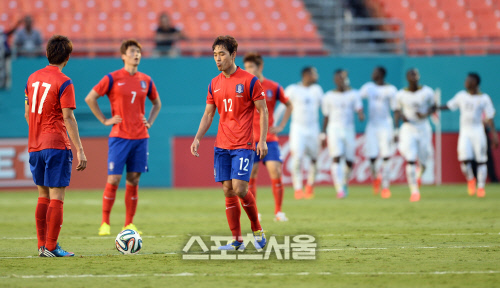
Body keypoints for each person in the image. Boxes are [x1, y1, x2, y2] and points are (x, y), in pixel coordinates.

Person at [190, 35, 268, 251]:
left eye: (221, 54)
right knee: (227, 190)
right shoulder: (214, 83)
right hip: (222, 145)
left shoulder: (250, 81)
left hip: (243, 144)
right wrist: (197, 137)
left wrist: (262, 140)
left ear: (233, 55)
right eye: (215, 55)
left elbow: (263, 110)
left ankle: (257, 227)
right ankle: (237, 241)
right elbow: (208, 114)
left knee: (240, 188)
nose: (217, 59)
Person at [85, 40, 162, 236]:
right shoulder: (112, 78)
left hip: (140, 137)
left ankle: (128, 223)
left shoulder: (146, 79)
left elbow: (157, 104)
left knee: (134, 179)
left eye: (138, 52)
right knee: (114, 178)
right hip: (119, 136)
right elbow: (90, 98)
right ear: (123, 55)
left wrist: (150, 121)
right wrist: (104, 120)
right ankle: (105, 222)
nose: (136, 55)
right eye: (132, 51)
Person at [25, 35, 87, 257]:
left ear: (47, 53)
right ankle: (51, 246)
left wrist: (37, 131)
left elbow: (27, 112)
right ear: (68, 57)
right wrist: (80, 149)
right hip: (56, 144)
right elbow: (68, 117)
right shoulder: (64, 82)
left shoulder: (31, 79)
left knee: (42, 195)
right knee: (57, 196)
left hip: (35, 144)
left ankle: (42, 246)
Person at [243, 52, 292, 222]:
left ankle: (278, 212)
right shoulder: (243, 88)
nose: (248, 70)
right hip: (249, 139)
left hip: (269, 138)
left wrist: (281, 126)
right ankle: (255, 213)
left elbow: (289, 104)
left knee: (275, 170)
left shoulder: (273, 86)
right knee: (251, 175)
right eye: (246, 67)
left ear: (260, 67)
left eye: (251, 67)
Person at [438, 72, 498, 197]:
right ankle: (471, 179)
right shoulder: (461, 96)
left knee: (481, 160)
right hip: (465, 132)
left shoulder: (484, 98)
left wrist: (494, 135)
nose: (465, 82)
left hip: (478, 131)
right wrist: (435, 108)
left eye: (468, 80)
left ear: (474, 82)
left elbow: (490, 117)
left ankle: (481, 187)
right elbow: (449, 106)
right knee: (464, 160)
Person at [394, 68, 435, 202]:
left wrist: (425, 114)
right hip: (408, 128)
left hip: (423, 127)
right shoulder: (401, 94)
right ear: (407, 78)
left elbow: (434, 106)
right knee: (410, 158)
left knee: (424, 159)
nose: (414, 77)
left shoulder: (427, 91)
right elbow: (397, 111)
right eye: (411, 74)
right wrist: (400, 121)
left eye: (416, 74)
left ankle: (421, 170)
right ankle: (414, 191)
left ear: (419, 76)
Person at [321, 69, 364, 199]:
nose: (341, 81)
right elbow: (326, 117)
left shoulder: (354, 94)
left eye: (343, 78)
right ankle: (339, 188)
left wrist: (361, 114)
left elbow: (359, 109)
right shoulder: (328, 96)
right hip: (334, 129)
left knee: (350, 161)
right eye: (339, 78)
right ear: (335, 80)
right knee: (336, 156)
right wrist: (323, 134)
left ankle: (344, 181)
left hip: (349, 129)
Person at [285, 67, 323, 200]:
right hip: (298, 129)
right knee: (297, 159)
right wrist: (276, 124)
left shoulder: (317, 90)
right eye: (314, 73)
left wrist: (324, 133)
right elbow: (283, 107)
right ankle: (298, 188)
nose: (316, 76)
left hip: (313, 129)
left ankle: (310, 185)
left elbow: (325, 110)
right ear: (306, 75)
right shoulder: (293, 89)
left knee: (314, 159)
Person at [359, 66, 397, 197]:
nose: (372, 74)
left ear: (380, 74)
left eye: (374, 72)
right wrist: (360, 112)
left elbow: (396, 109)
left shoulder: (390, 90)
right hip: (372, 126)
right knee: (372, 158)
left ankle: (386, 187)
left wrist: (396, 130)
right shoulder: (368, 87)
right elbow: (357, 98)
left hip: (386, 125)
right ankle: (376, 178)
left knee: (386, 156)